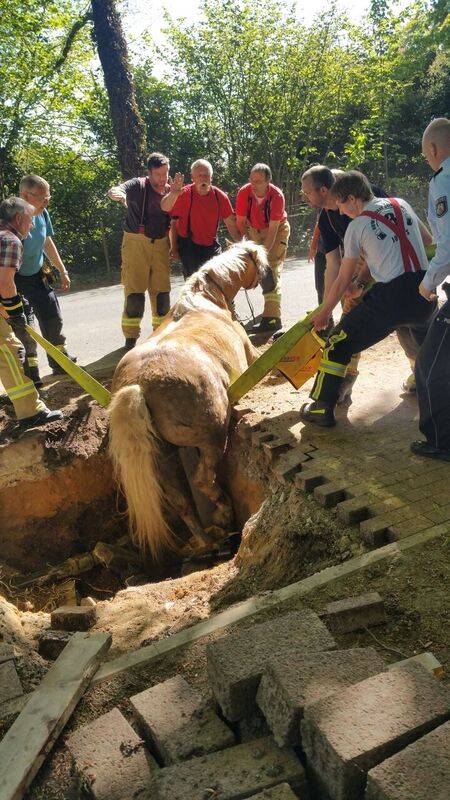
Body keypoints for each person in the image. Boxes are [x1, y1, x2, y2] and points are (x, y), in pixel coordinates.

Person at [299, 170, 436, 427]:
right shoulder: (401, 204)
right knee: (428, 352)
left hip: (391, 299)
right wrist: (364, 281)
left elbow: (341, 278)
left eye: (340, 204)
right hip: (425, 296)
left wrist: (325, 312)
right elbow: (427, 241)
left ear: (351, 198)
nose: (339, 212)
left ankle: (321, 407)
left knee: (337, 342)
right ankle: (433, 396)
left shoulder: (357, 226)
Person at [0, 197, 62, 428]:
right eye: (30, 219)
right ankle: (30, 412)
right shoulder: (10, 241)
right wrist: (16, 313)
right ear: (18, 219)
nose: (33, 225)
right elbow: (5, 283)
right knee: (10, 352)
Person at [411, 117, 450, 461]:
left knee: (429, 366)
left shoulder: (444, 181)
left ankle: (440, 440)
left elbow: (448, 244)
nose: (427, 159)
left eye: (426, 155)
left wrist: (427, 283)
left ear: (434, 149)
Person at [108, 152, 172, 350]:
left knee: (162, 293)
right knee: (135, 293)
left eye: (165, 173)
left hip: (161, 243)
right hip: (136, 242)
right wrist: (116, 193)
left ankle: (160, 335)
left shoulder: (171, 190)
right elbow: (117, 189)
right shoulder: (138, 185)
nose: (163, 179)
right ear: (149, 173)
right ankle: (130, 340)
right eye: (158, 174)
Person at [16, 174, 74, 385]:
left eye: (48, 196)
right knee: (25, 326)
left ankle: (59, 362)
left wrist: (62, 270)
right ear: (25, 195)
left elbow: (47, 242)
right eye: (42, 197)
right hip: (15, 279)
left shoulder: (42, 213)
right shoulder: (10, 218)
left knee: (52, 317)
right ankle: (31, 373)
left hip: (38, 273)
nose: (46, 201)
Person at [161, 159, 240, 279]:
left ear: (211, 178)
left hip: (210, 244)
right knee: (197, 283)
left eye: (206, 175)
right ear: (193, 178)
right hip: (189, 245)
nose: (203, 179)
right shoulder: (183, 194)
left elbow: (231, 223)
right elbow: (166, 210)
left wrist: (243, 245)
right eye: (199, 176)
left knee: (220, 280)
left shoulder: (220, 197)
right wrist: (174, 248)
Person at [236, 164, 290, 333]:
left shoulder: (277, 196)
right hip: (254, 229)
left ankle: (273, 318)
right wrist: (246, 247)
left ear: (268, 181)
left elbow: (273, 230)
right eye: (251, 180)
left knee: (269, 269)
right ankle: (269, 307)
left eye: (258, 181)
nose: (253, 184)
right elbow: (240, 222)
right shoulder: (244, 192)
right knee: (255, 268)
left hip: (276, 231)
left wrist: (262, 256)